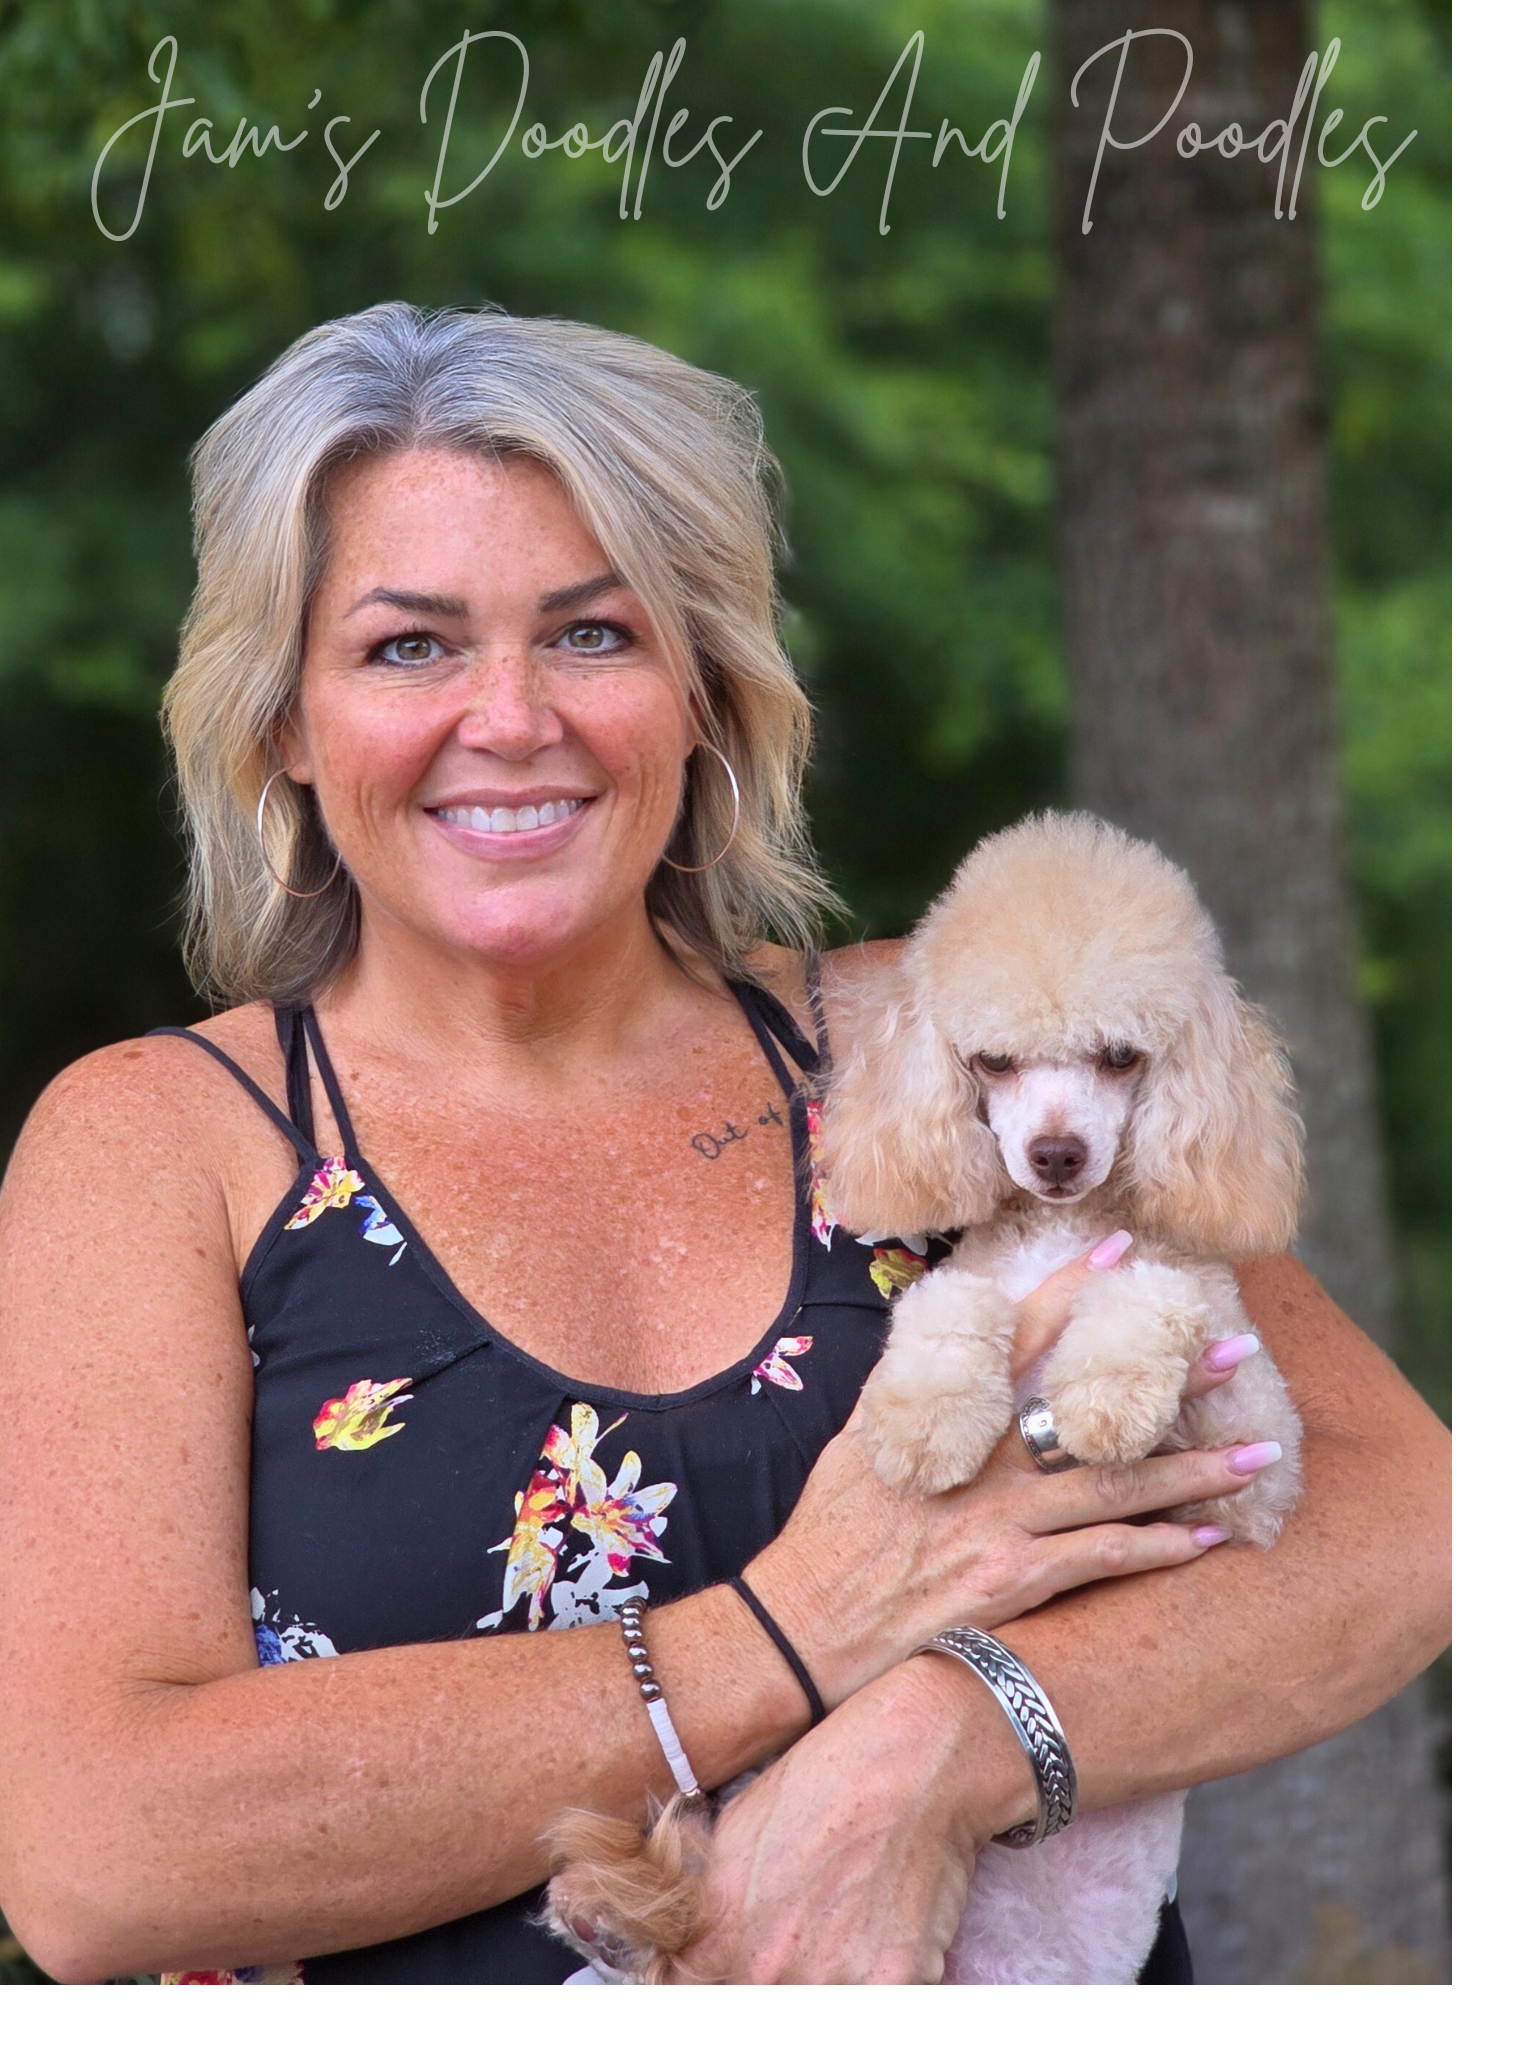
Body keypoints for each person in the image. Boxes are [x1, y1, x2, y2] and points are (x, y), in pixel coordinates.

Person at [0, 304, 1449, 1986]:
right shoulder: (165, 1147)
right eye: (408, 647)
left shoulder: (949, 1035)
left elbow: (1406, 1519)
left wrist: (938, 1750)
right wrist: (787, 1633)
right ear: (282, 724)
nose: (513, 714)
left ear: (702, 690)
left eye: (593, 634)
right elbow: (90, 1852)